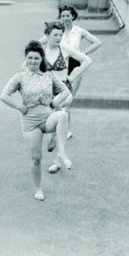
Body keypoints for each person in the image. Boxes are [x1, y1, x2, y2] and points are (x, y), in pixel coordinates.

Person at [0, 41, 72, 201]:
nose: (33, 61)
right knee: (36, 158)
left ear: (42, 59)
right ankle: (38, 188)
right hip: (30, 122)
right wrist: (19, 107)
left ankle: (61, 151)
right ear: (26, 59)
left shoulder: (49, 76)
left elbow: (66, 91)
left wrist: (55, 103)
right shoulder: (19, 77)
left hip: (47, 116)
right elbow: (3, 96)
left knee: (63, 115)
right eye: (30, 58)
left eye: (36, 58)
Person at [40, 6, 101, 139]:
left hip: (75, 66)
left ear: (73, 16)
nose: (65, 18)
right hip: (59, 68)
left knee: (66, 103)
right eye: (63, 16)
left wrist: (85, 52)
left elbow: (97, 42)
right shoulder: (57, 31)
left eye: (68, 15)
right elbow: (39, 43)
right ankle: (58, 127)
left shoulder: (79, 31)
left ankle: (64, 130)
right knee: (59, 102)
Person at [41, 21, 92, 171]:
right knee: (59, 117)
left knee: (57, 108)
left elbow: (87, 60)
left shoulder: (64, 49)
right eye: (55, 35)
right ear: (47, 36)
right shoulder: (41, 51)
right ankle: (57, 160)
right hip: (48, 92)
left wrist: (73, 75)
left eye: (60, 35)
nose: (58, 38)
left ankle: (54, 141)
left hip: (64, 90)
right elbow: (25, 66)